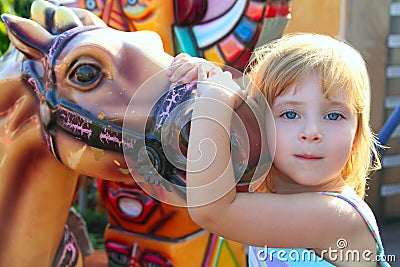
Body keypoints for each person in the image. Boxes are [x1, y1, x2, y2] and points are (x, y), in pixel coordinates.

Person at [166, 33, 391, 266]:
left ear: (355, 137)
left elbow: (212, 211)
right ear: (258, 125)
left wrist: (214, 100)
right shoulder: (271, 192)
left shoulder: (335, 216)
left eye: (334, 115)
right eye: (290, 114)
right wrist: (206, 80)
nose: (312, 132)